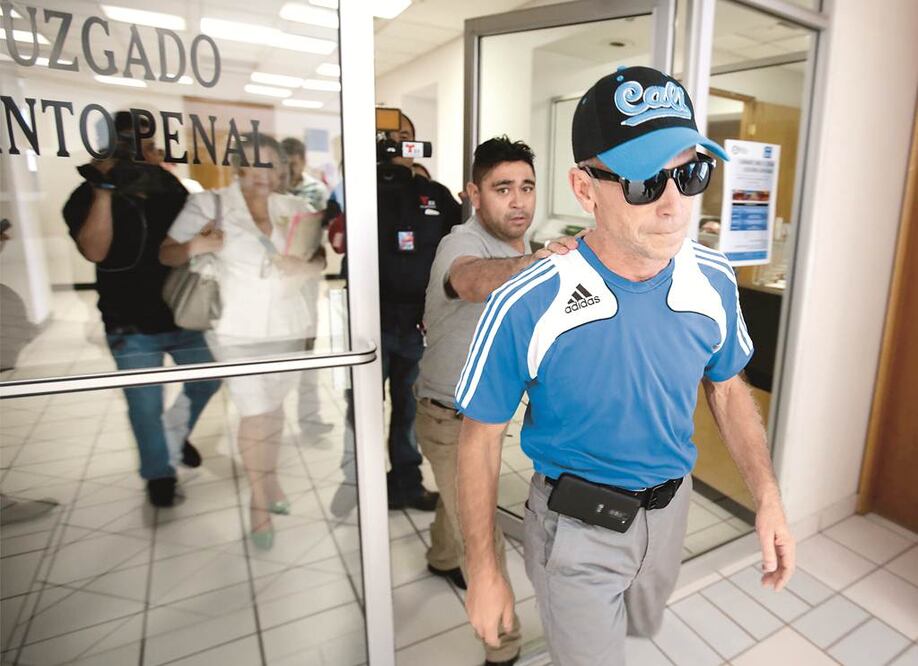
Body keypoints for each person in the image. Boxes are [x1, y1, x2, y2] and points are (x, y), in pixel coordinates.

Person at [456, 66, 796, 665]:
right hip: (578, 529)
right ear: (585, 188)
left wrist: (766, 495)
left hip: (671, 512)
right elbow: (480, 434)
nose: (674, 205)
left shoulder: (713, 278)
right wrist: (484, 567)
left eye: (691, 174)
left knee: (640, 635)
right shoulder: (530, 298)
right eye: (644, 180)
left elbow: (727, 387)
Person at [415, 136, 577, 666]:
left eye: (527, 187)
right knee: (481, 534)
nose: (519, 201)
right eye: (502, 188)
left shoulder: (516, 247)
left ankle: (441, 556)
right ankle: (502, 649)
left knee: (456, 507)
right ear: (473, 194)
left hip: (483, 415)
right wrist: (536, 264)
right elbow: (467, 282)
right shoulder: (460, 243)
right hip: (449, 419)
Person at [161, 133, 324, 550]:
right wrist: (199, 243)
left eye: (271, 164)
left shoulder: (296, 208)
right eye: (254, 164)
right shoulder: (209, 205)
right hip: (236, 329)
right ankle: (259, 500)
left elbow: (320, 259)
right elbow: (167, 253)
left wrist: (304, 268)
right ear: (238, 167)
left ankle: (269, 484)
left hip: (288, 327)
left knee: (272, 412)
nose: (263, 174)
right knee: (254, 412)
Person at [62, 111, 219, 508]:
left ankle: (175, 435)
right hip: (128, 321)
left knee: (207, 379)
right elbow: (95, 250)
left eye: (150, 146)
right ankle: (159, 474)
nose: (148, 155)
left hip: (180, 312)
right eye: (138, 146)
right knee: (144, 405)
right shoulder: (86, 195)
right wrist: (105, 189)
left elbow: (191, 235)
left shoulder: (168, 186)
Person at [372, 111, 462, 510]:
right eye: (389, 137)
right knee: (364, 411)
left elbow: (457, 250)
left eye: (405, 136)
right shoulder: (361, 191)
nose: (398, 144)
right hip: (368, 325)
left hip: (416, 325)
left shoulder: (434, 196)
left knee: (407, 409)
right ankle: (364, 479)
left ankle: (405, 483)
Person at [280, 137, 336, 438]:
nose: (289, 168)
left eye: (294, 162)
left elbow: (317, 234)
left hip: (305, 281)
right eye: (284, 162)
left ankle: (309, 420)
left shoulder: (314, 190)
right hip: (275, 285)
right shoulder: (270, 190)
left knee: (307, 351)